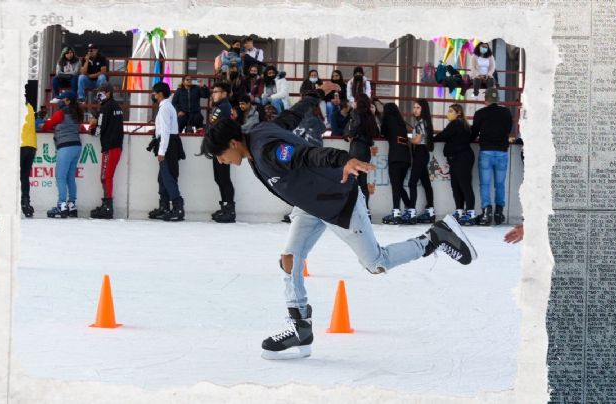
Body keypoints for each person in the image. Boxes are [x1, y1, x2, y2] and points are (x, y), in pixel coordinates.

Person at [198, 85, 477, 360]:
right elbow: (291, 118)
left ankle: (434, 238)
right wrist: (314, 96)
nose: (221, 162)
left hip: (337, 200)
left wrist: (343, 159)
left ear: (233, 143)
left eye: (220, 156)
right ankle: (300, 329)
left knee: (376, 263)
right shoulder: (258, 133)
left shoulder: (266, 150)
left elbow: (306, 156)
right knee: (289, 259)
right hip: (311, 205)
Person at [472, 87, 513, 226]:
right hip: (502, 152)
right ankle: (499, 212)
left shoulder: (480, 113)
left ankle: (486, 212)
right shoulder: (506, 112)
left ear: (486, 99)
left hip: (486, 152)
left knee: (485, 183)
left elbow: (473, 133)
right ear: (498, 99)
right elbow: (508, 129)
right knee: (500, 184)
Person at [147, 82, 185, 221]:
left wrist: (162, 151)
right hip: (169, 144)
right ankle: (164, 206)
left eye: (154, 92)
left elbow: (165, 132)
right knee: (162, 178)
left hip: (167, 147)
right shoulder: (167, 107)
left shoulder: (164, 109)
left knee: (168, 177)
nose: (153, 95)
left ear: (160, 93)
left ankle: (177, 207)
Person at [42, 90, 83, 218]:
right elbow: (80, 128)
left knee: (60, 177)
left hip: (65, 147)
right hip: (77, 145)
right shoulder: (77, 113)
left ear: (67, 101)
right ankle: (72, 204)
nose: (60, 101)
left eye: (62, 99)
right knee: (70, 177)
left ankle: (61, 205)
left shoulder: (61, 113)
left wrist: (53, 127)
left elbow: (46, 126)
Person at [433, 104, 476, 225]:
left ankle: (471, 213)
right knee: (456, 185)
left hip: (462, 157)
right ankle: (460, 211)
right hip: (456, 158)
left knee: (464, 185)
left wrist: (432, 138)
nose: (448, 113)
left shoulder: (456, 123)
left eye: (451, 111)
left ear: (458, 113)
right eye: (448, 111)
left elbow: (444, 135)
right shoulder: (461, 124)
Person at [88, 82, 124, 219]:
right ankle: (106, 205)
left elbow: (99, 130)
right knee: (106, 176)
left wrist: (92, 129)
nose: (99, 94)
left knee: (105, 176)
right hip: (116, 146)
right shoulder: (116, 106)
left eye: (101, 91)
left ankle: (108, 207)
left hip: (110, 147)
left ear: (108, 93)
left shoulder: (105, 107)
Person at [208, 82, 236, 223]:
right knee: (219, 178)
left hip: (222, 147)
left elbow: (220, 128)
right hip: (217, 146)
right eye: (213, 92)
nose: (214, 94)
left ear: (224, 93)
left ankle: (229, 209)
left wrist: (217, 146)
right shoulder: (219, 107)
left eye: (216, 91)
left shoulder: (224, 107)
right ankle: (225, 206)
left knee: (224, 178)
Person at [342, 94, 377, 210]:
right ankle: (365, 209)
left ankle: (354, 209)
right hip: (366, 151)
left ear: (358, 102)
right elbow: (376, 132)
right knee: (363, 182)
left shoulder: (356, 113)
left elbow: (353, 127)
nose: (353, 103)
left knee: (352, 181)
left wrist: (349, 134)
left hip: (356, 149)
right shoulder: (369, 115)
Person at [404, 99, 435, 224]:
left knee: (412, 183)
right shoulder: (425, 122)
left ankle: (411, 211)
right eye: (414, 107)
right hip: (422, 153)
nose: (415, 110)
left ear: (423, 109)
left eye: (417, 107)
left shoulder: (421, 123)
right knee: (426, 183)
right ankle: (430, 211)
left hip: (421, 153)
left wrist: (407, 137)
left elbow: (417, 140)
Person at [380, 102, 411, 225]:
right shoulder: (401, 122)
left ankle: (396, 212)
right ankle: (409, 207)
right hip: (406, 158)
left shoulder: (387, 119)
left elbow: (382, 133)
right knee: (399, 185)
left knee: (395, 185)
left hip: (395, 157)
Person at [20, 101, 37, 218]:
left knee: (13, 176)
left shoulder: (15, 107)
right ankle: (26, 203)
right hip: (31, 145)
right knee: (25, 176)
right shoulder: (30, 106)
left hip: (20, 145)